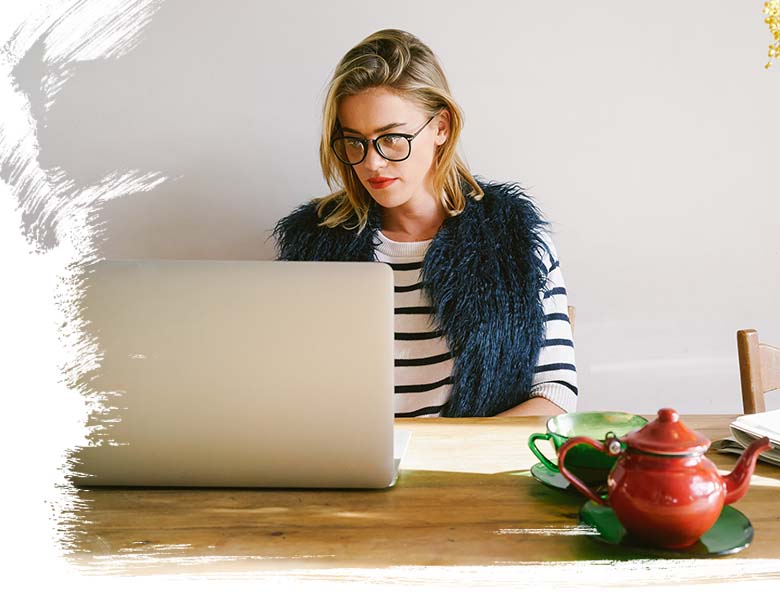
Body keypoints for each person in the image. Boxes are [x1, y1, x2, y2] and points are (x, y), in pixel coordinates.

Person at [273, 29, 577, 417]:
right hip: (344, 472)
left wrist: (454, 457)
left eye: (392, 138)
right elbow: (286, 390)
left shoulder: (515, 238)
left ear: (441, 127)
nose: (372, 163)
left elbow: (555, 394)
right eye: (354, 141)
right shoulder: (312, 247)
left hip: (470, 472)